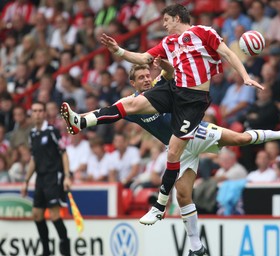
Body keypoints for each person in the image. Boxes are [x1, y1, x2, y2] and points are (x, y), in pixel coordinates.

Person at [61, 3, 263, 229]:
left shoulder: (203, 32)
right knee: (131, 103)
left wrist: (244, 76)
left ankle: (159, 207)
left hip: (193, 100)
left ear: (177, 18)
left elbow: (227, 54)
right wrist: (118, 50)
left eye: (166, 20)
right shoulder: (169, 43)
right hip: (174, 89)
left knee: (178, 152)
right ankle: (81, 121)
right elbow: (143, 58)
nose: (164, 25)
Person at [88, 63, 280, 256]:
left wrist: (162, 62)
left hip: (193, 132)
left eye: (147, 75)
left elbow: (170, 72)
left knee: (239, 139)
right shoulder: (132, 104)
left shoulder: (159, 86)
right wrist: (82, 119)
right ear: (132, 83)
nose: (146, 79)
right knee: (183, 196)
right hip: (178, 149)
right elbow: (109, 112)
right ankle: (196, 247)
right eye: (141, 78)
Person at [21, 101, 72, 256]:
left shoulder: (52, 131)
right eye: (34, 110)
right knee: (37, 215)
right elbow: (33, 160)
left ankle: (66, 254)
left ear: (44, 113)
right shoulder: (33, 134)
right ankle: (46, 254)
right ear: (31, 113)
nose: (37, 113)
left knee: (55, 215)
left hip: (53, 177)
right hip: (40, 179)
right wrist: (26, 181)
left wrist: (67, 176)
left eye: (40, 111)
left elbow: (63, 153)